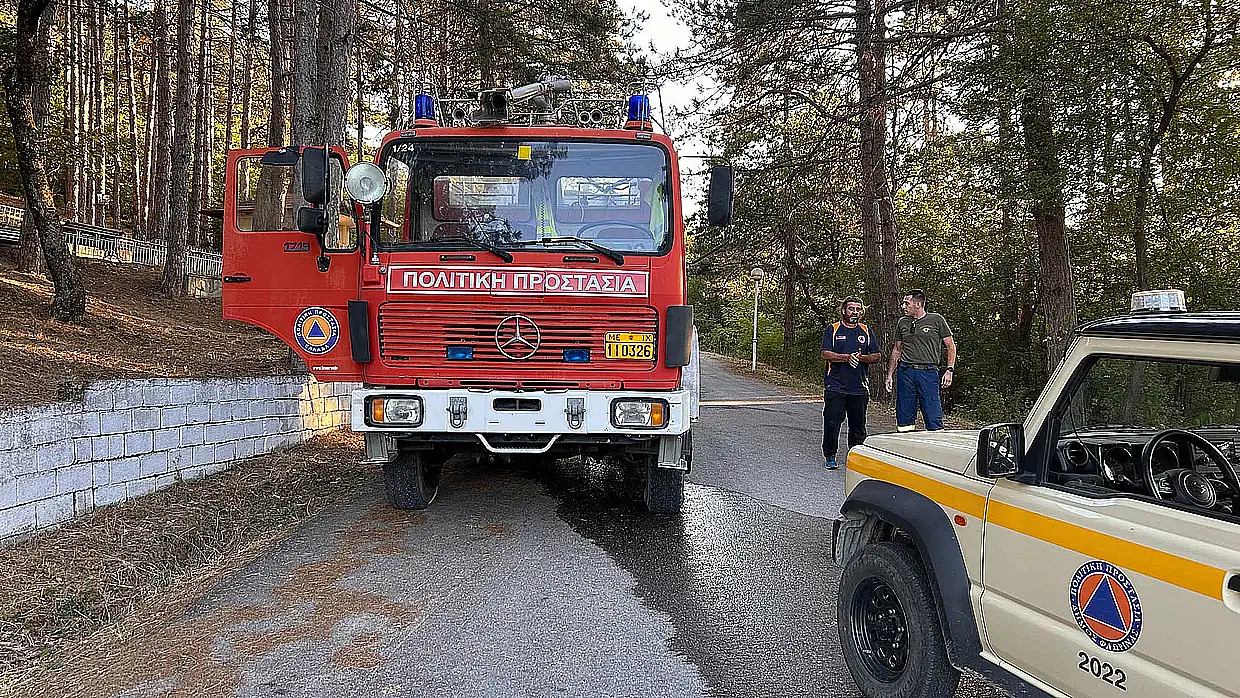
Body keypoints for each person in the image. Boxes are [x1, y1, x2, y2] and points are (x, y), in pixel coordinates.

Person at [821, 298, 883, 469]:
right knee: (832, 422)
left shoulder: (866, 330)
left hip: (859, 387)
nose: (854, 312)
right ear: (844, 311)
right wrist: (846, 357)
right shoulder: (833, 329)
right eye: (851, 309)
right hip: (835, 386)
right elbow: (825, 354)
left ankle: (855, 457)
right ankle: (830, 455)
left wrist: (861, 358)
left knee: (858, 426)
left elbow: (876, 356)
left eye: (858, 309)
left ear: (862, 312)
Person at [884, 289, 957, 432]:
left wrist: (949, 370)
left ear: (918, 304)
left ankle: (935, 446)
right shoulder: (902, 322)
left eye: (906, 303)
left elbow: (950, 346)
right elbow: (897, 350)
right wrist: (889, 375)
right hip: (906, 372)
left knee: (933, 413)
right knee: (904, 415)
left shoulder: (936, 320)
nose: (903, 306)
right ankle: (905, 444)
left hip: (928, 373)